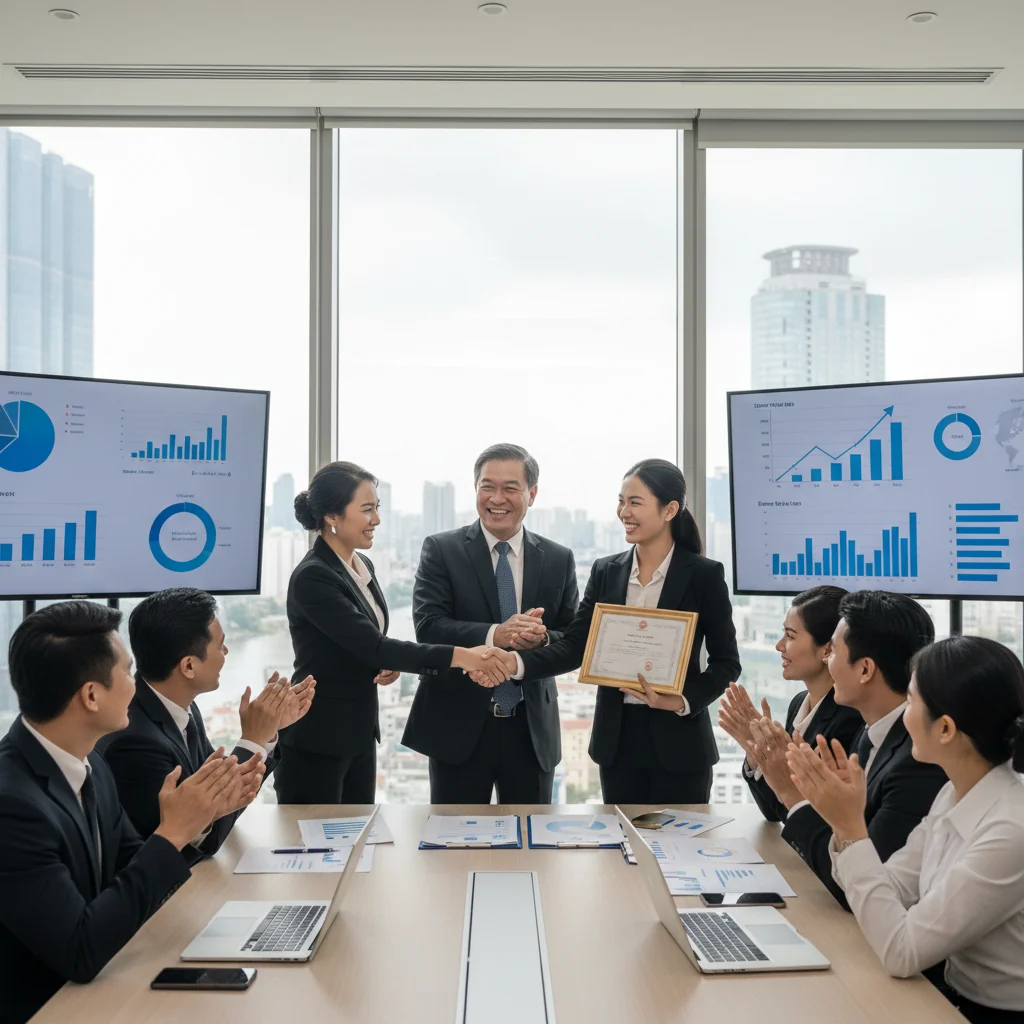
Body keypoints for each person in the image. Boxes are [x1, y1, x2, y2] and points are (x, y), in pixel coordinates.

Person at [0, 601, 251, 1024]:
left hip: (108, 985)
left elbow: (132, 870)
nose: (137, 687)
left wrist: (193, 823)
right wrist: (171, 833)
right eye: (128, 672)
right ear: (91, 695)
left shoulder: (91, 765)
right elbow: (80, 950)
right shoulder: (12, 806)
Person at [787, 635, 1024, 1024]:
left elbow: (902, 951)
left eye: (911, 701)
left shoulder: (1011, 830)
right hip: (948, 998)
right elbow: (890, 886)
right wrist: (842, 825)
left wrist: (850, 826)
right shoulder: (953, 793)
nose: (903, 715)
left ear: (945, 729)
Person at [479, 458, 741, 804]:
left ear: (669, 510)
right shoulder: (607, 571)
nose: (624, 512)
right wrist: (516, 663)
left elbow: (726, 663)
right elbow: (576, 645)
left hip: (680, 744)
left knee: (680, 839)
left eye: (635, 502)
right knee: (622, 838)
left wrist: (682, 700)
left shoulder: (703, 575)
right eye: (621, 501)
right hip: (617, 743)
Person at [277, 460, 511, 804]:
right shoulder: (314, 576)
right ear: (332, 516)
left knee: (360, 830)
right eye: (367, 510)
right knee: (316, 836)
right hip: (318, 738)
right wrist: (466, 657)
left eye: (377, 508)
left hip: (358, 733)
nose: (377, 519)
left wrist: (380, 661)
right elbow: (374, 645)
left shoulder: (361, 565)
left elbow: (360, 644)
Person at [743, 589, 947, 908]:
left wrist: (791, 792)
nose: (827, 659)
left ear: (865, 669)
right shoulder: (870, 733)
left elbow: (855, 888)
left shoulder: (918, 761)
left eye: (834, 651)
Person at [402, 443, 579, 803]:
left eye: (510, 488)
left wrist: (541, 639)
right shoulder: (441, 549)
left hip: (531, 730)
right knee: (453, 834)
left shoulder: (558, 558)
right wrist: (496, 635)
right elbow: (429, 627)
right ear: (475, 489)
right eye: (487, 486)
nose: (497, 498)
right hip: (457, 727)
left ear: (532, 493)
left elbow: (573, 639)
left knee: (531, 834)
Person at [98, 588, 314, 865]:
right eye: (220, 645)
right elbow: (203, 840)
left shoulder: (180, 705)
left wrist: (267, 732)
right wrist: (253, 740)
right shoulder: (134, 744)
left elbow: (224, 805)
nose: (226, 652)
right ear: (188, 666)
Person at [718, 586, 862, 822]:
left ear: (827, 649)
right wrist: (757, 753)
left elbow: (806, 817)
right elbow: (774, 811)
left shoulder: (849, 719)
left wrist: (778, 765)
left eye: (791, 636)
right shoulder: (798, 703)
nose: (779, 645)